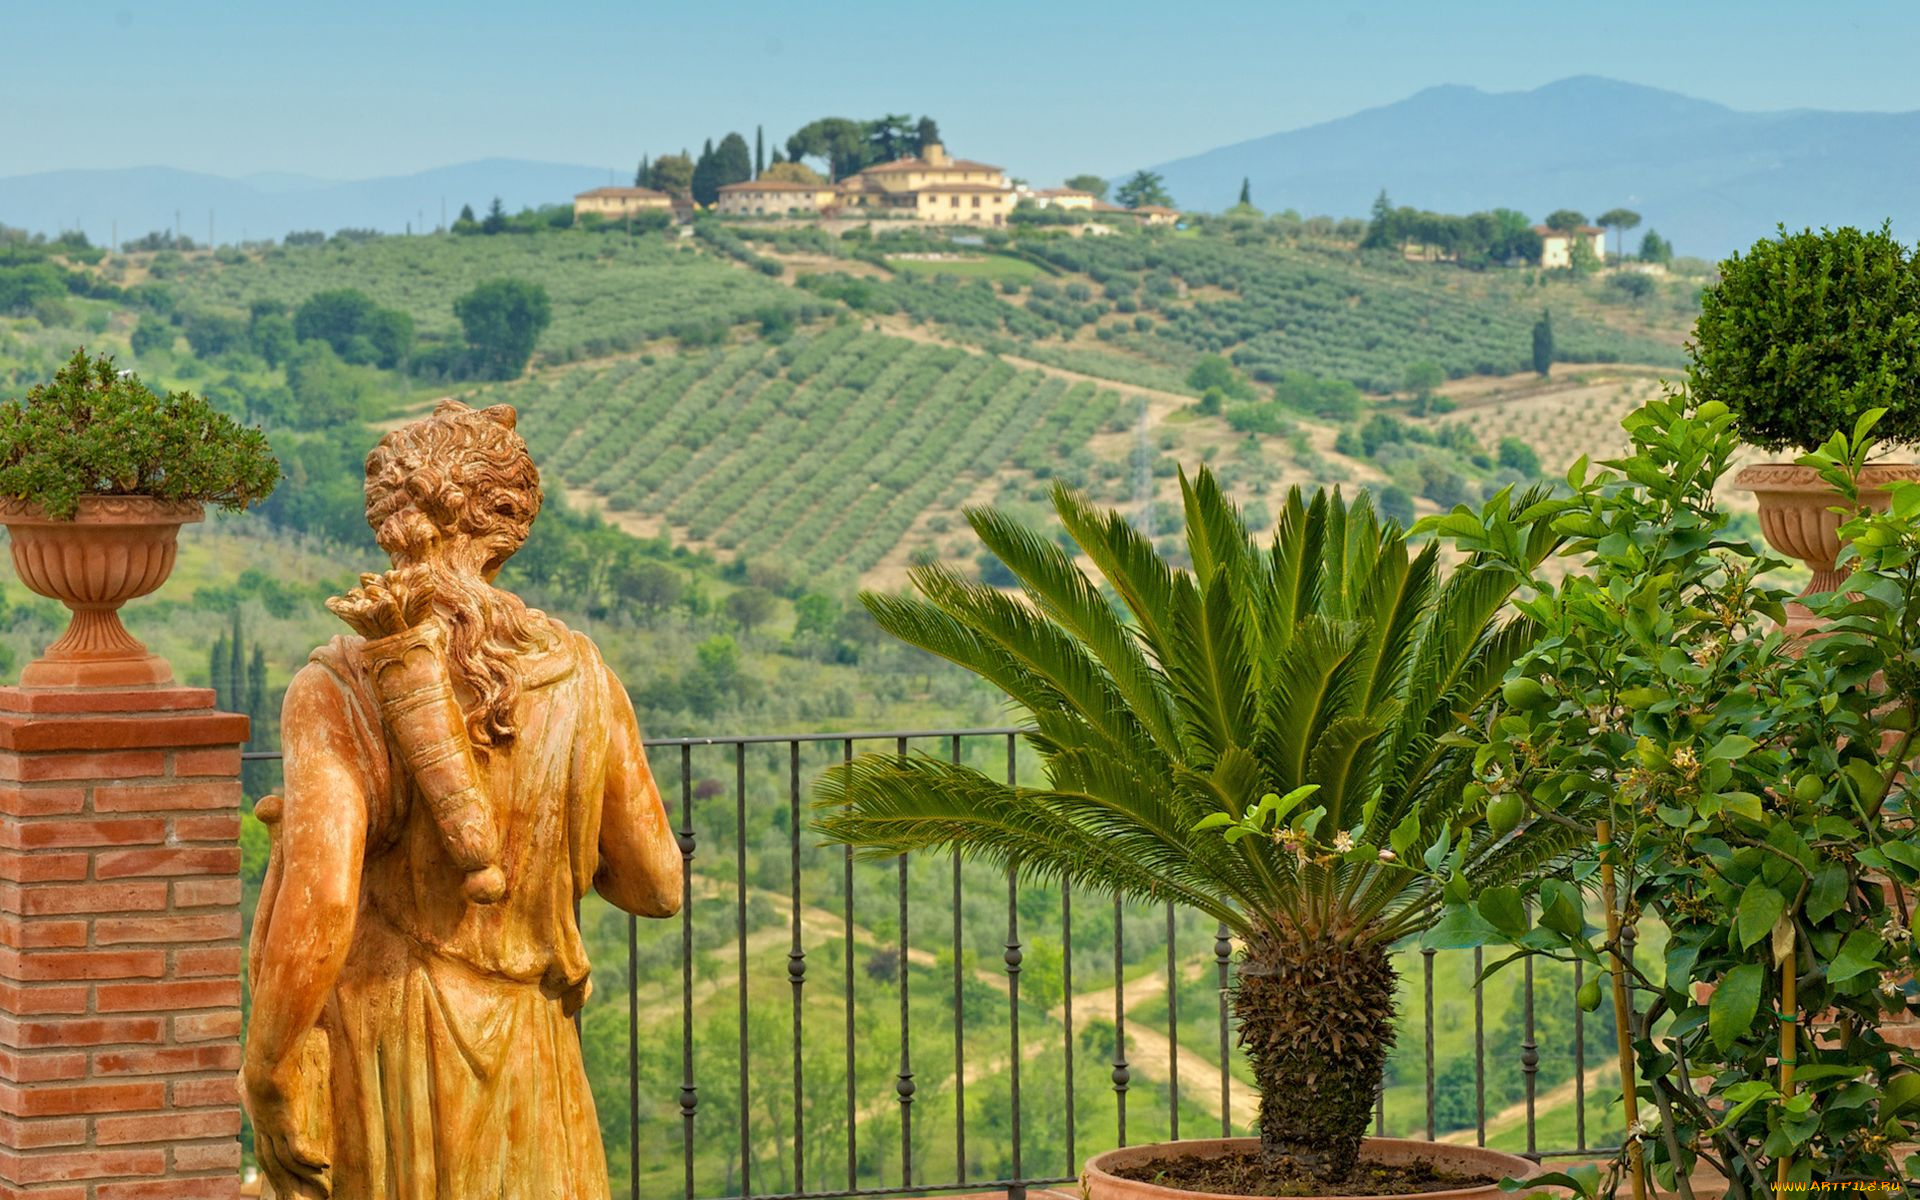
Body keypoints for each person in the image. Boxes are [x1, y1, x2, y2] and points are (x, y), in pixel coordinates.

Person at [240, 400, 682, 1199]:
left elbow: (322, 903)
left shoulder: (340, 683)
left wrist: (267, 1064)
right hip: (536, 1046)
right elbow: (657, 885)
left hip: (395, 1044)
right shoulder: (585, 676)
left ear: (391, 519)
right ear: (506, 523)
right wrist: (557, 846)